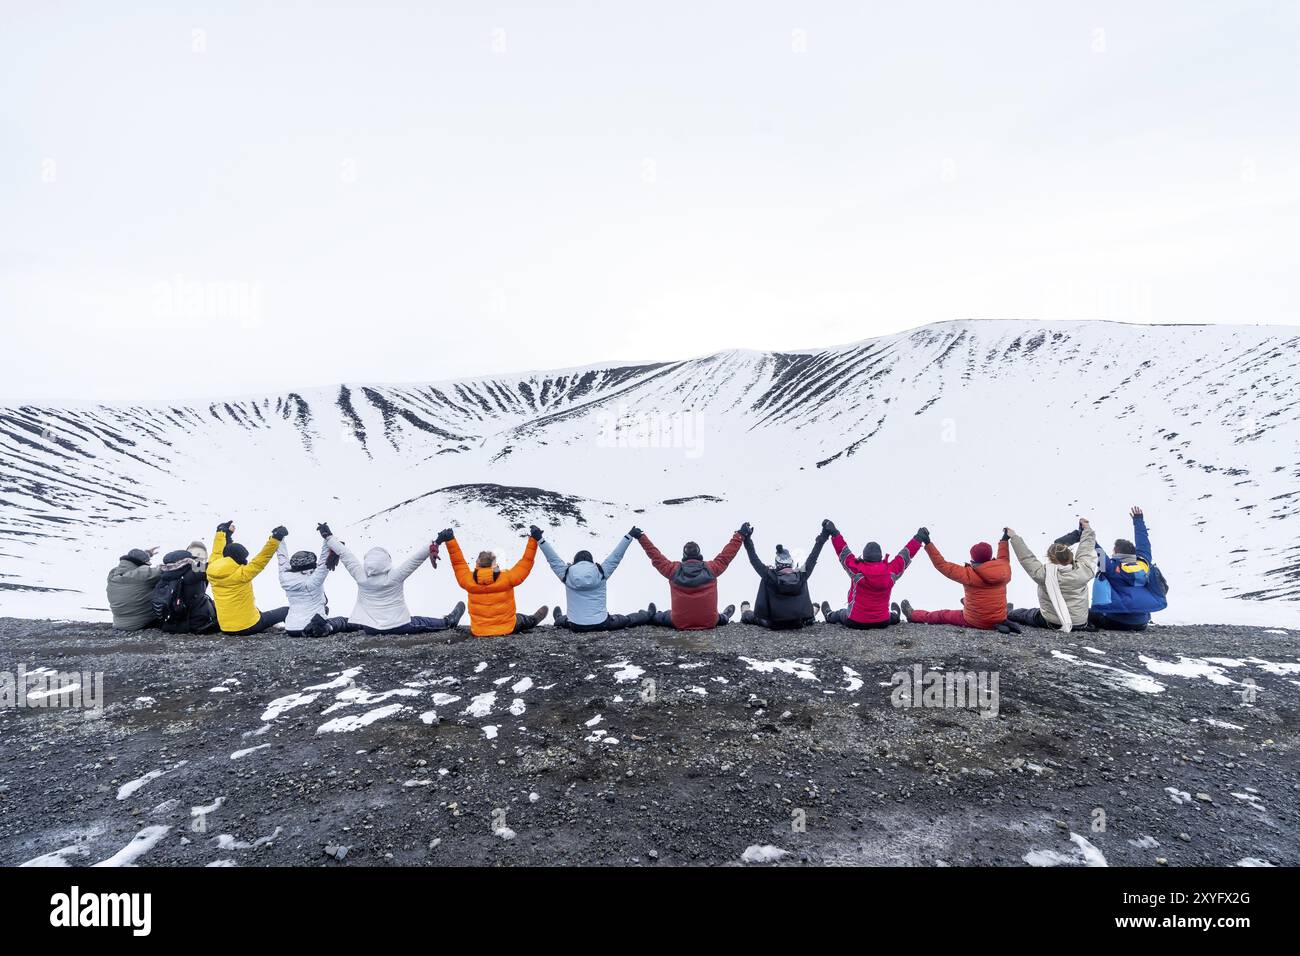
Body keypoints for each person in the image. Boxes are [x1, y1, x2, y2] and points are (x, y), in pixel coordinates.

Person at [322, 523, 464, 635]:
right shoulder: (394, 577)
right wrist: (438, 541)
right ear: (387, 561)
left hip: (370, 628)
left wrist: (328, 536)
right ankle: (448, 622)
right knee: (420, 622)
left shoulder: (361, 577)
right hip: (398, 626)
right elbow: (416, 559)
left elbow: (345, 554)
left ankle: (330, 625)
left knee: (349, 622)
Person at [1064, 506, 1167, 631]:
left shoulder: (1111, 568)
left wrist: (1086, 531)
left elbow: (1097, 551)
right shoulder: (1144, 564)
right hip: (1141, 624)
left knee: (1084, 614)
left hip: (1115, 622)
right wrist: (1138, 520)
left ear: (1117, 552)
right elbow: (1143, 543)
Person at [541, 528, 654, 632]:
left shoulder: (566, 573)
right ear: (591, 561)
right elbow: (616, 556)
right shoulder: (601, 571)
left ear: (575, 561)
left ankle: (558, 619)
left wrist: (539, 539)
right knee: (626, 620)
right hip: (601, 623)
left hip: (575, 625)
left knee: (567, 620)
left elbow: (552, 558)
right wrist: (629, 536)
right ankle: (648, 615)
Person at [442, 525, 546, 637]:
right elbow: (527, 561)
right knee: (521, 619)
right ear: (495, 564)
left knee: (515, 618)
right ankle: (534, 620)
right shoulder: (507, 578)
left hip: (479, 630)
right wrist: (534, 540)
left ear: (478, 564)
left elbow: (458, 563)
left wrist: (450, 540)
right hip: (507, 627)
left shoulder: (468, 580)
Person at [820, 520, 923, 629]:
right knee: (891, 617)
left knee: (841, 613)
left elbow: (843, 552)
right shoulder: (890, 571)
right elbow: (905, 556)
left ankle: (829, 615)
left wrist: (835, 533)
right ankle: (896, 615)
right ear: (880, 557)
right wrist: (918, 538)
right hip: (882, 621)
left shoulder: (857, 570)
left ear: (864, 557)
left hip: (855, 620)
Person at [899, 530, 1012, 630]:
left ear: (973, 559)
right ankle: (1002, 612)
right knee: (973, 599)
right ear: (990, 555)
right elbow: (1003, 556)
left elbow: (942, 565)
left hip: (976, 621)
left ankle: (912, 615)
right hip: (999, 618)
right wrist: (1004, 539)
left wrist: (928, 543)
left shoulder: (969, 574)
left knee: (943, 615)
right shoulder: (1003, 567)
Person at [636, 526, 741, 630]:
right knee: (719, 617)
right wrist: (740, 536)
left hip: (680, 622)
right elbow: (727, 555)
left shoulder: (672, 570)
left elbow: (655, 555)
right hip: (709, 621)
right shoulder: (711, 569)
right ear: (699, 554)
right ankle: (725, 616)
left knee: (662, 616)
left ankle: (651, 615)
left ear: (684, 555)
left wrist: (640, 537)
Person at [1006, 519, 1098, 631]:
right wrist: (1087, 529)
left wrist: (1014, 537)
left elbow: (1026, 558)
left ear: (1050, 558)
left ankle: (1007, 614)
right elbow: (1086, 549)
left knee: (1022, 614)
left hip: (1051, 622)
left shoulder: (1043, 574)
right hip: (1080, 622)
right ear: (1070, 556)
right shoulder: (1084, 570)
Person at [737, 521, 829, 629]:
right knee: (806, 618)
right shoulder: (801, 573)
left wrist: (747, 540)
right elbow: (813, 557)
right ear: (791, 563)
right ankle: (810, 614)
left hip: (773, 623)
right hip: (797, 621)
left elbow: (753, 559)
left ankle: (745, 611)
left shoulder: (769, 574)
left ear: (777, 564)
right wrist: (824, 535)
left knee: (751, 617)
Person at [207, 521, 291, 636]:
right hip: (248, 626)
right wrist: (276, 539)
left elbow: (217, 551)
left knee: (255, 609)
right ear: (238, 558)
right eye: (243, 558)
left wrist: (221, 532)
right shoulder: (242, 574)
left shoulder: (212, 567)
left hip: (225, 627)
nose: (246, 561)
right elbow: (262, 558)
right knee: (286, 611)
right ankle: (295, 630)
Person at [278, 530, 350, 637]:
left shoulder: (285, 577)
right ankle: (360, 624)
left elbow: (282, 559)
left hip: (291, 628)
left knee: (324, 609)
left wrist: (279, 540)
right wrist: (327, 539)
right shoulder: (313, 580)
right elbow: (323, 562)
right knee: (342, 621)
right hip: (310, 626)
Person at [151, 541, 218, 634]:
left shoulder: (165, 572)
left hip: (170, 623)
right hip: (195, 624)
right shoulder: (196, 571)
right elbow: (217, 563)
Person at [107, 546, 161, 630]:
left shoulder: (113, 575)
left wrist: (146, 555)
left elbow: (135, 561)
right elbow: (166, 570)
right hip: (141, 623)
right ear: (141, 564)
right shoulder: (143, 574)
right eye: (148, 563)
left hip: (118, 623)